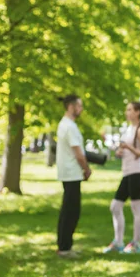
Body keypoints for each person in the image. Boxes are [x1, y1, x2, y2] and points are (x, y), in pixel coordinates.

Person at [103, 101, 140, 254]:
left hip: (137, 173)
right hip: (127, 173)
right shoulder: (128, 129)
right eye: (127, 109)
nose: (127, 112)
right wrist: (119, 151)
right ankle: (118, 241)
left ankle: (136, 244)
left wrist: (128, 147)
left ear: (137, 112)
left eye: (130, 109)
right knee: (115, 207)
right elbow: (125, 149)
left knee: (136, 208)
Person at [56, 94, 90, 259]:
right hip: (71, 173)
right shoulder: (69, 126)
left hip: (69, 173)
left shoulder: (66, 125)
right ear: (71, 106)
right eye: (79, 106)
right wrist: (87, 169)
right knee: (71, 211)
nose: (81, 109)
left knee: (69, 210)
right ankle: (64, 248)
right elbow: (79, 154)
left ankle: (66, 246)